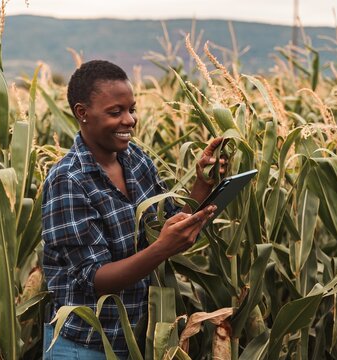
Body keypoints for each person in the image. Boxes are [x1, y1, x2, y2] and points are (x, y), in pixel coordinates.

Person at [41, 60, 226, 359]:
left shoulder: (135, 159)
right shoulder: (68, 180)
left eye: (132, 109)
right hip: (85, 345)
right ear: (82, 113)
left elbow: (167, 223)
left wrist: (203, 183)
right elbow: (94, 278)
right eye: (116, 112)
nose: (129, 120)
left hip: (137, 340)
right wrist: (162, 249)